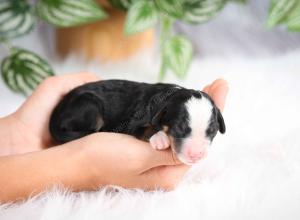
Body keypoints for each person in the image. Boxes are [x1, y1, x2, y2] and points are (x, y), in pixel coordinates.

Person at [0, 73, 229, 203]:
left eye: (209, 132)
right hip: (78, 111)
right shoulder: (156, 109)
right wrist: (81, 164)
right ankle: (78, 135)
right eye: (182, 130)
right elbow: (138, 127)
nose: (197, 150)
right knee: (91, 108)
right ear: (161, 117)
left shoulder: (169, 108)